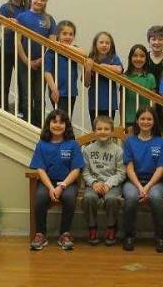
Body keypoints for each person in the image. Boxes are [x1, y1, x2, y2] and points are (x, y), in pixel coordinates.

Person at [29, 109, 84, 251]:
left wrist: (62, 186)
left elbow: (76, 169)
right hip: (48, 182)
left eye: (61, 122)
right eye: (54, 121)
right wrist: (51, 188)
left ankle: (64, 234)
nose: (57, 125)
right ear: (49, 124)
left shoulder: (73, 144)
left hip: (67, 182)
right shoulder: (42, 144)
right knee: (40, 198)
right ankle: (41, 235)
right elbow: (40, 169)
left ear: (66, 125)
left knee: (70, 197)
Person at [122, 106, 163, 253]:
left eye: (149, 119)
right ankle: (129, 236)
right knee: (130, 197)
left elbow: (161, 168)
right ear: (137, 121)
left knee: (156, 198)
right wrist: (139, 187)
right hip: (133, 181)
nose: (145, 121)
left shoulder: (160, 142)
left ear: (154, 121)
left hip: (154, 181)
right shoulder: (129, 142)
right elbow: (129, 168)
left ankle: (161, 237)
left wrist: (148, 187)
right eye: (142, 118)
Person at [82, 116, 125, 246]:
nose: (103, 131)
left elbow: (121, 172)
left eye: (106, 129)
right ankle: (92, 227)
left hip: (112, 185)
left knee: (111, 199)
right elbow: (85, 171)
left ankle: (111, 227)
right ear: (94, 131)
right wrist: (94, 183)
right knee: (89, 198)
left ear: (112, 132)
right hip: (93, 184)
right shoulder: (87, 150)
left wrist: (108, 184)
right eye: (99, 128)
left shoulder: (118, 150)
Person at [17, 0, 56, 126]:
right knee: (27, 95)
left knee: (39, 96)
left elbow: (52, 44)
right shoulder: (21, 17)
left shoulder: (49, 19)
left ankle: (39, 127)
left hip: (43, 64)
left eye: (43, 0)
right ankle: (27, 125)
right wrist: (27, 61)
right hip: (24, 62)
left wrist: (41, 60)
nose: (39, 1)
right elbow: (18, 42)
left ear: (46, 2)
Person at [0, 0, 28, 112]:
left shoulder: (28, 9)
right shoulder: (5, 8)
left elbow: (29, 29)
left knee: (22, 82)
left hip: (22, 51)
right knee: (5, 80)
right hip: (6, 49)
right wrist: (12, 25)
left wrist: (18, 24)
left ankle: (21, 110)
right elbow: (2, 27)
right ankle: (2, 107)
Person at [44, 20, 84, 116]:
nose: (68, 37)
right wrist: (53, 89)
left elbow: (84, 53)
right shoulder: (51, 51)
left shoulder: (74, 50)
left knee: (67, 118)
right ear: (58, 35)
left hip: (71, 92)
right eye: (64, 34)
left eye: (71, 34)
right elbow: (47, 72)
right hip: (58, 91)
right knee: (61, 118)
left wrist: (65, 46)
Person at [84, 31, 123, 127]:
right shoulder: (90, 59)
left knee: (108, 129)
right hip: (94, 102)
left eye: (107, 43)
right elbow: (86, 84)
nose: (104, 45)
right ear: (95, 44)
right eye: (101, 42)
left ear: (111, 45)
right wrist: (88, 70)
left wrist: (103, 66)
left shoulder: (113, 58)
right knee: (96, 129)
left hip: (110, 102)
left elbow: (119, 69)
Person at [123, 44, 157, 128]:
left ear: (146, 59)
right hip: (129, 119)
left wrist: (152, 118)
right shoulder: (125, 77)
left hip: (146, 120)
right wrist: (121, 121)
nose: (138, 59)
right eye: (135, 56)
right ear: (130, 58)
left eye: (142, 56)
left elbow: (154, 101)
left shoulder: (150, 77)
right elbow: (122, 101)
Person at [146, 25, 163, 90]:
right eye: (153, 39)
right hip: (146, 96)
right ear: (149, 41)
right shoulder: (143, 58)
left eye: (160, 39)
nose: (157, 42)